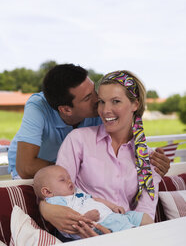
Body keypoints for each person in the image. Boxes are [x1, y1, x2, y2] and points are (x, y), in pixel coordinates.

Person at [40, 70, 162, 237]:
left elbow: (146, 213)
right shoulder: (78, 140)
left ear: (135, 104)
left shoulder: (148, 157)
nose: (105, 110)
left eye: (116, 101)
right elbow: (58, 194)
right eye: (101, 102)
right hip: (84, 232)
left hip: (128, 233)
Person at [8, 64, 170, 180]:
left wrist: (151, 159)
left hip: (68, 168)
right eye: (87, 98)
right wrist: (76, 166)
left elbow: (124, 145)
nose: (98, 98)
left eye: (94, 90)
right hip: (30, 173)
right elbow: (26, 167)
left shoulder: (100, 108)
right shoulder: (38, 106)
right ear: (66, 110)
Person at [34, 165, 153, 239]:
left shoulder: (76, 192)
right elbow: (68, 224)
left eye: (69, 177)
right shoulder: (56, 202)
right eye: (62, 180)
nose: (69, 181)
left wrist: (113, 206)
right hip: (102, 224)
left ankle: (155, 235)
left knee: (144, 218)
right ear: (47, 192)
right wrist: (86, 218)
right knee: (132, 235)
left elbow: (94, 199)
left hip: (114, 216)